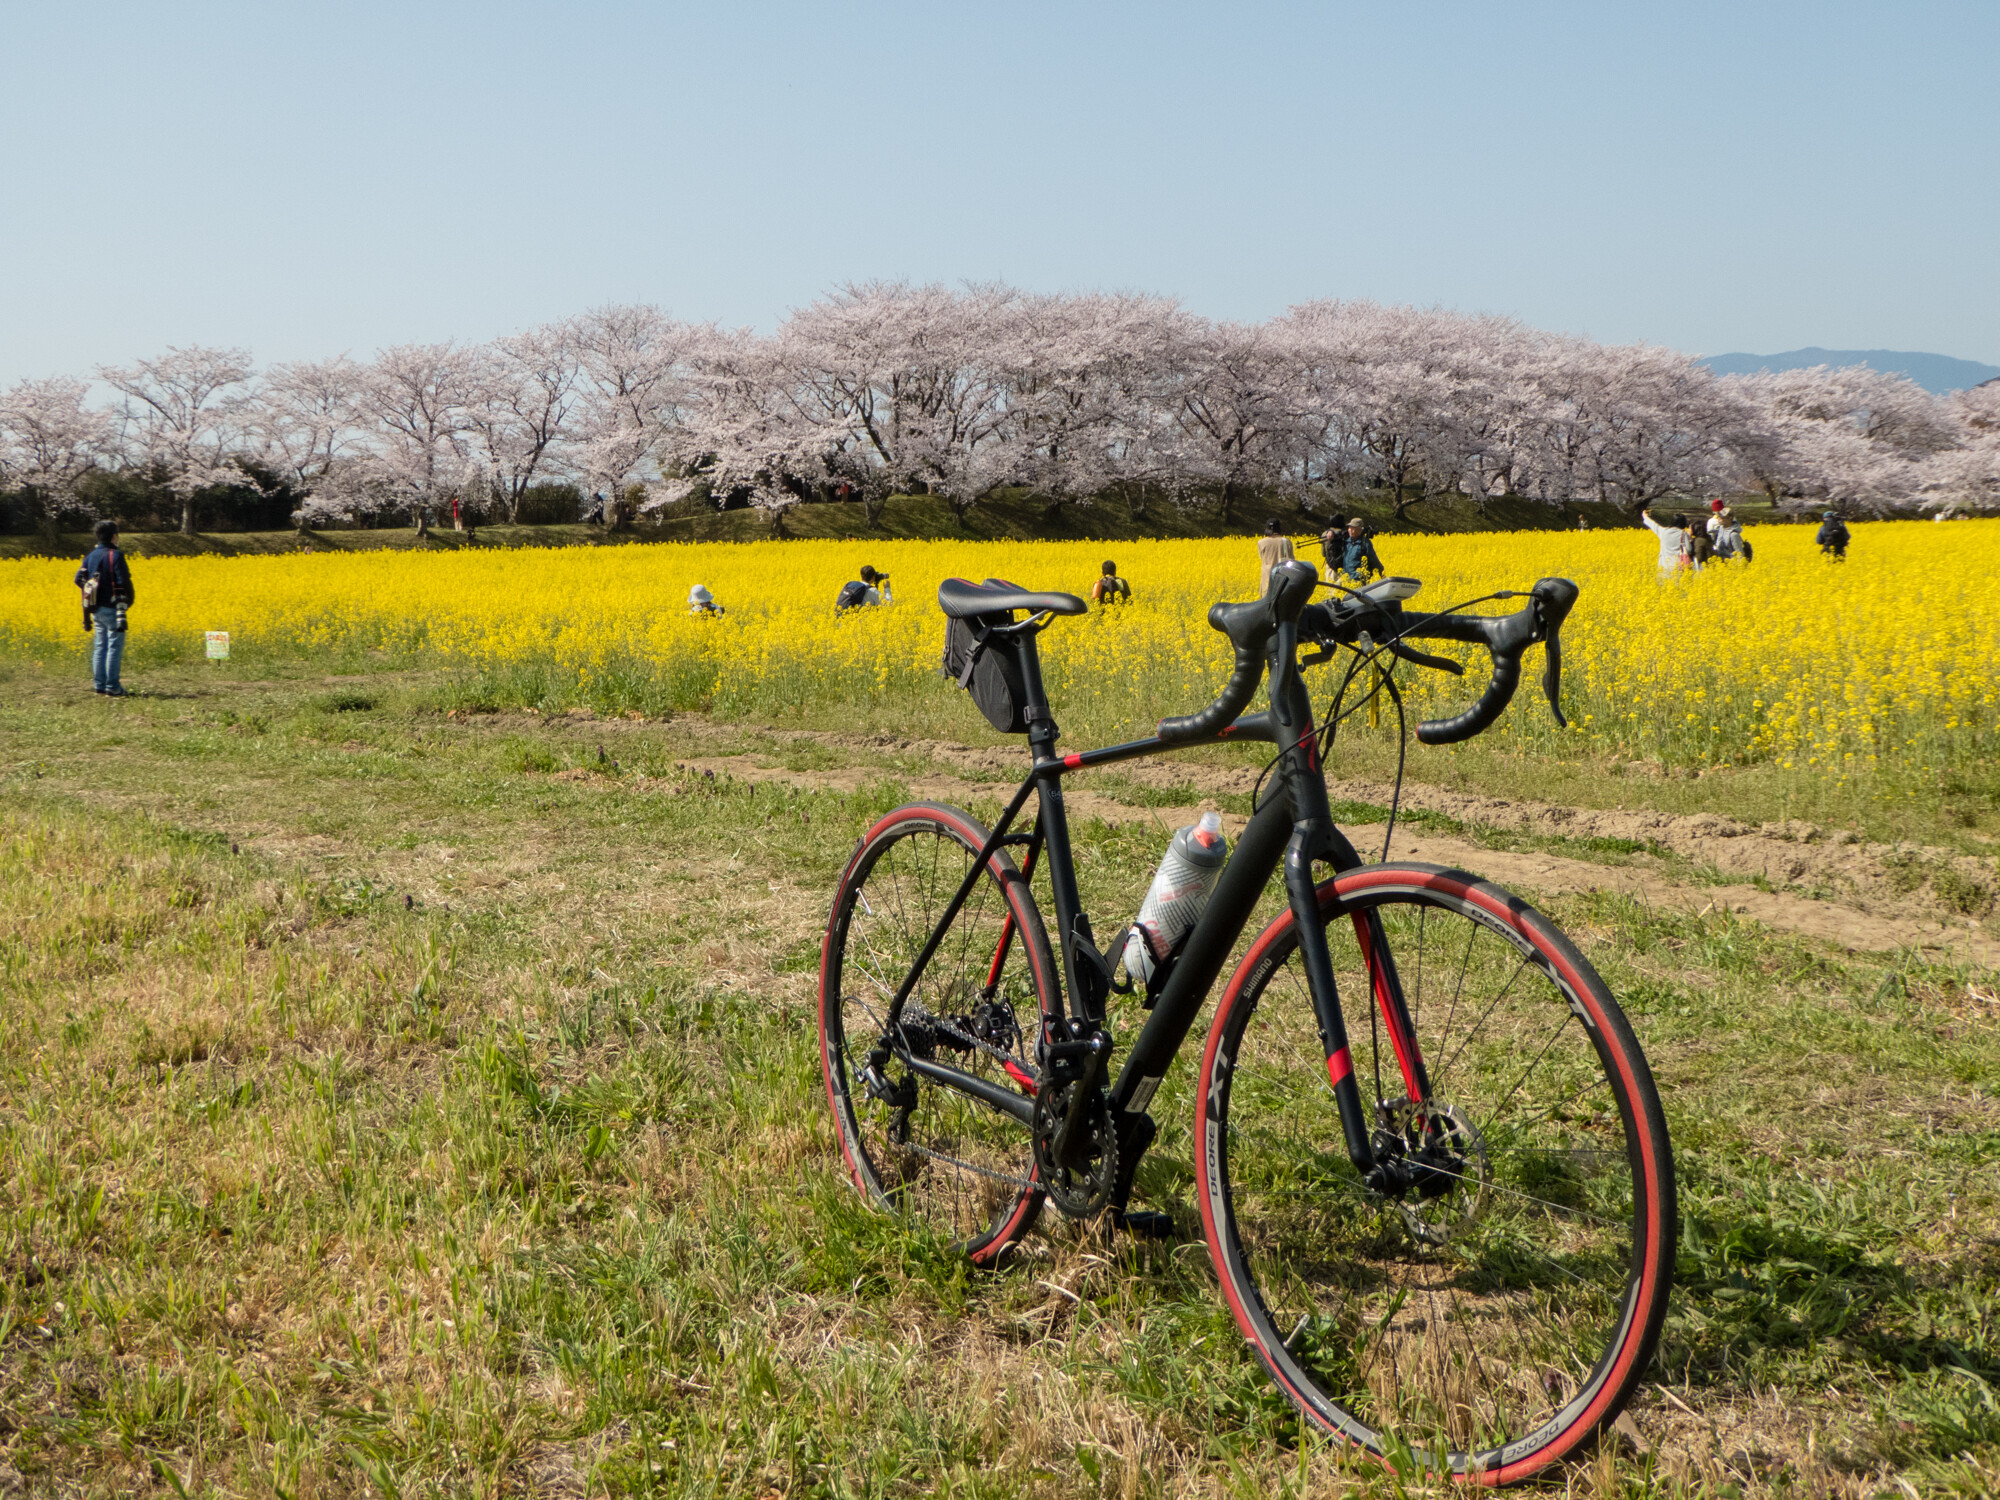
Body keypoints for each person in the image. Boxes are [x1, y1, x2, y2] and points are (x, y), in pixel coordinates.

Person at [74, 519, 134, 697]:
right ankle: (113, 687)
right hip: (113, 607)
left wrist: (93, 588)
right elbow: (123, 581)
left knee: (100, 646)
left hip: (95, 608)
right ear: (114, 536)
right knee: (114, 647)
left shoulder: (91, 555)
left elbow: (78, 579)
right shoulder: (116, 555)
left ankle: (99, 684)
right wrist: (128, 601)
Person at [1640, 506, 1692, 579]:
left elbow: (1653, 525)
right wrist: (1690, 537)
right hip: (1678, 568)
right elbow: (1689, 549)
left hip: (1663, 567)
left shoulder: (1664, 531)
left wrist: (1645, 516)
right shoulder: (1684, 534)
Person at [1337, 516, 1384, 584]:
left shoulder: (1365, 543)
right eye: (1349, 528)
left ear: (1359, 530)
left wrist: (1382, 574)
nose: (1350, 530)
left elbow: (1373, 560)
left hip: (1358, 580)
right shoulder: (1347, 542)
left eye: (1353, 528)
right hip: (1345, 579)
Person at [1257, 519, 1296, 594]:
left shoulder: (1261, 543)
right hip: (1284, 580)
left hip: (1267, 580)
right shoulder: (1287, 542)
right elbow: (1292, 560)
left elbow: (1262, 558)